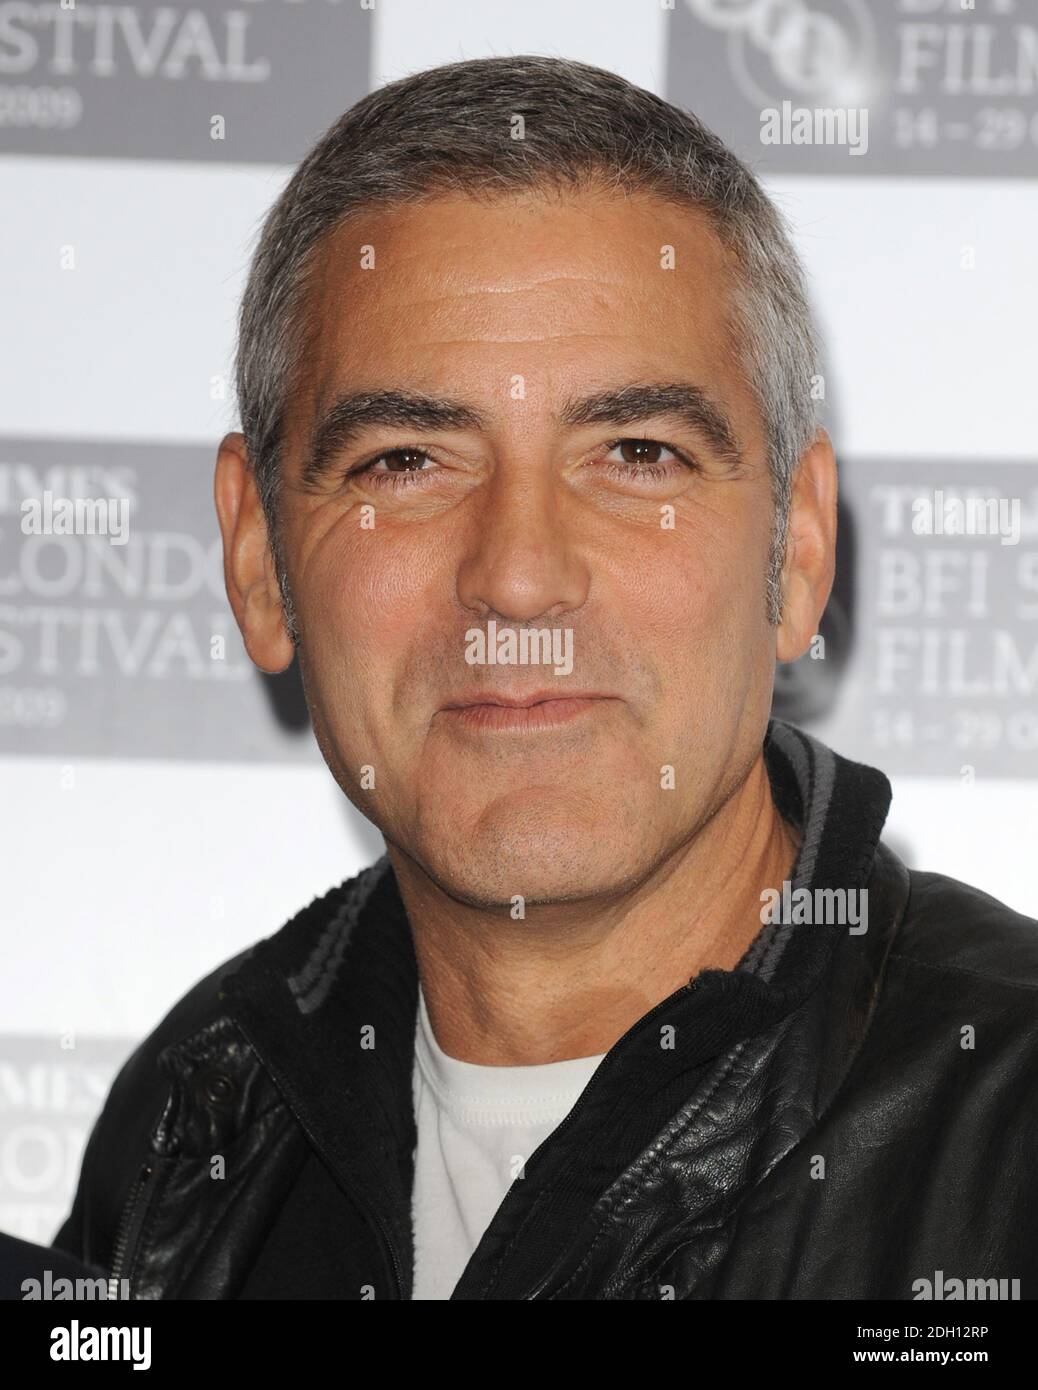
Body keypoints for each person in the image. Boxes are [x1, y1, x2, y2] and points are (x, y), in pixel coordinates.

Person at [52, 55, 1038, 1300]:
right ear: (259, 561)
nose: (518, 578)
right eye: (407, 460)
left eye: (636, 453)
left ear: (796, 550)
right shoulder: (195, 1122)